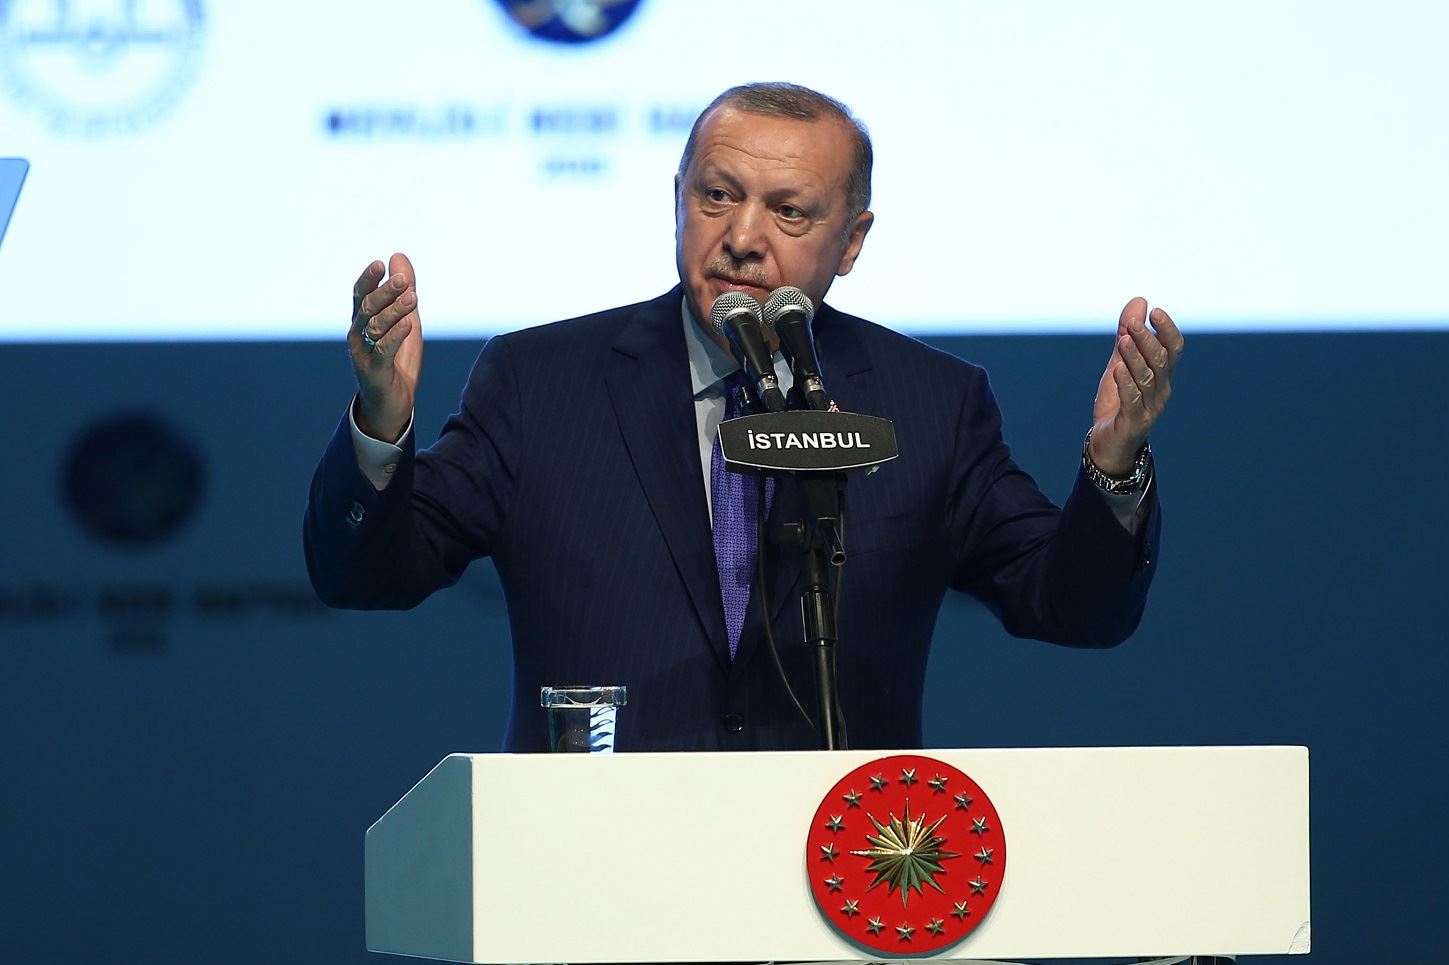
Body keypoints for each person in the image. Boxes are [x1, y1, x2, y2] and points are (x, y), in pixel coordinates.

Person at [304, 83, 1183, 753]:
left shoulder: (930, 402)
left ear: (853, 240)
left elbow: (1075, 607)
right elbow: (369, 574)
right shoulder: (542, 383)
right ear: (677, 199)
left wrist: (1113, 465)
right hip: (590, 876)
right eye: (717, 196)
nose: (742, 237)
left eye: (789, 210)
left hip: (838, 883)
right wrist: (382, 423)